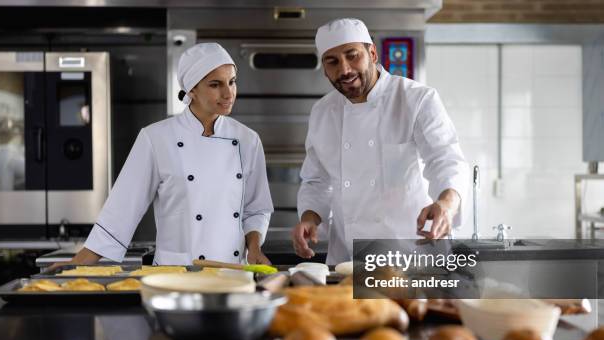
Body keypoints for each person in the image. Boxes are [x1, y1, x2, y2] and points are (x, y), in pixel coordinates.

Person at [62, 43, 273, 267]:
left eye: (232, 82)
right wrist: (77, 266)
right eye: (215, 85)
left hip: (232, 274)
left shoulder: (248, 140)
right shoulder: (156, 138)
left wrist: (254, 248)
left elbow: (256, 209)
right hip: (176, 274)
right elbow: (123, 209)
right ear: (192, 89)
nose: (228, 93)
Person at [292, 18, 469, 265]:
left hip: (409, 256)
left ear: (372, 53)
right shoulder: (322, 112)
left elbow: (446, 159)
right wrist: (310, 218)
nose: (344, 70)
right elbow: (317, 180)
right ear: (324, 68)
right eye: (332, 62)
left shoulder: (416, 99)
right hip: (347, 261)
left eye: (352, 56)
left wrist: (446, 204)